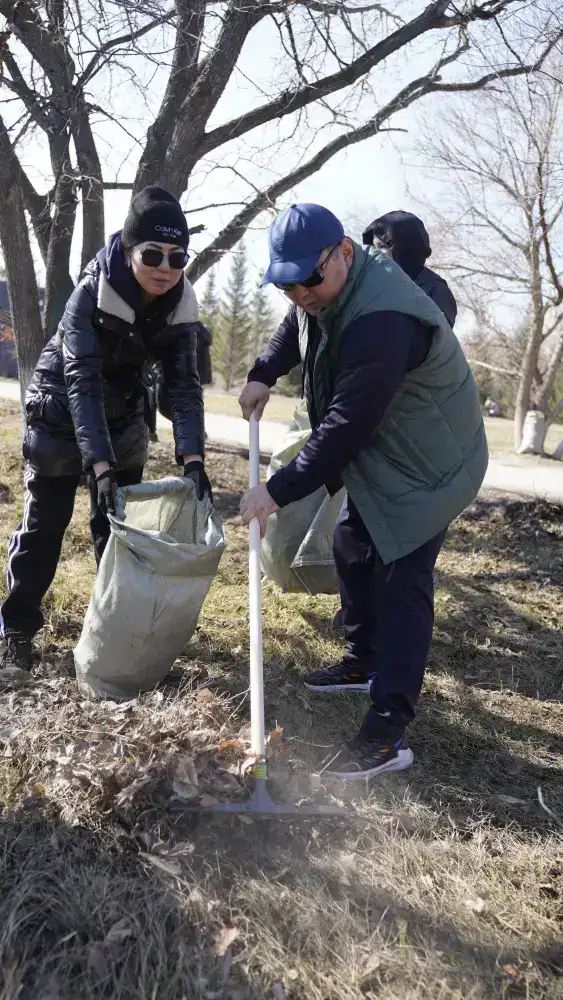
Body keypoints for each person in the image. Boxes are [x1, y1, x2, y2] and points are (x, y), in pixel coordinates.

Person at [238, 203, 487, 780]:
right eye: (287, 283)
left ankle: (387, 731)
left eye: (309, 279)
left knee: (404, 575)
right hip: (389, 447)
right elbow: (297, 326)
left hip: (431, 460)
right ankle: (363, 659)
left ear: (344, 252)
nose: (300, 292)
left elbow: (347, 424)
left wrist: (275, 490)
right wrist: (261, 371)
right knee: (353, 542)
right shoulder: (322, 290)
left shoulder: (383, 319)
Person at [1, 186, 211, 679]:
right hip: (60, 404)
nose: (165, 266)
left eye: (177, 256)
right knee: (45, 525)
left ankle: (118, 636)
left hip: (123, 414)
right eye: (153, 254)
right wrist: (98, 465)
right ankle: (15, 631)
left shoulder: (181, 303)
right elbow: (82, 383)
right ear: (128, 249)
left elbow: (184, 387)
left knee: (117, 531)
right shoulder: (89, 296)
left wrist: (194, 459)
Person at [362, 210, 457, 328]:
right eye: (373, 247)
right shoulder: (373, 288)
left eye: (382, 246)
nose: (374, 253)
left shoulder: (435, 290)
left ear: (403, 249)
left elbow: (439, 340)